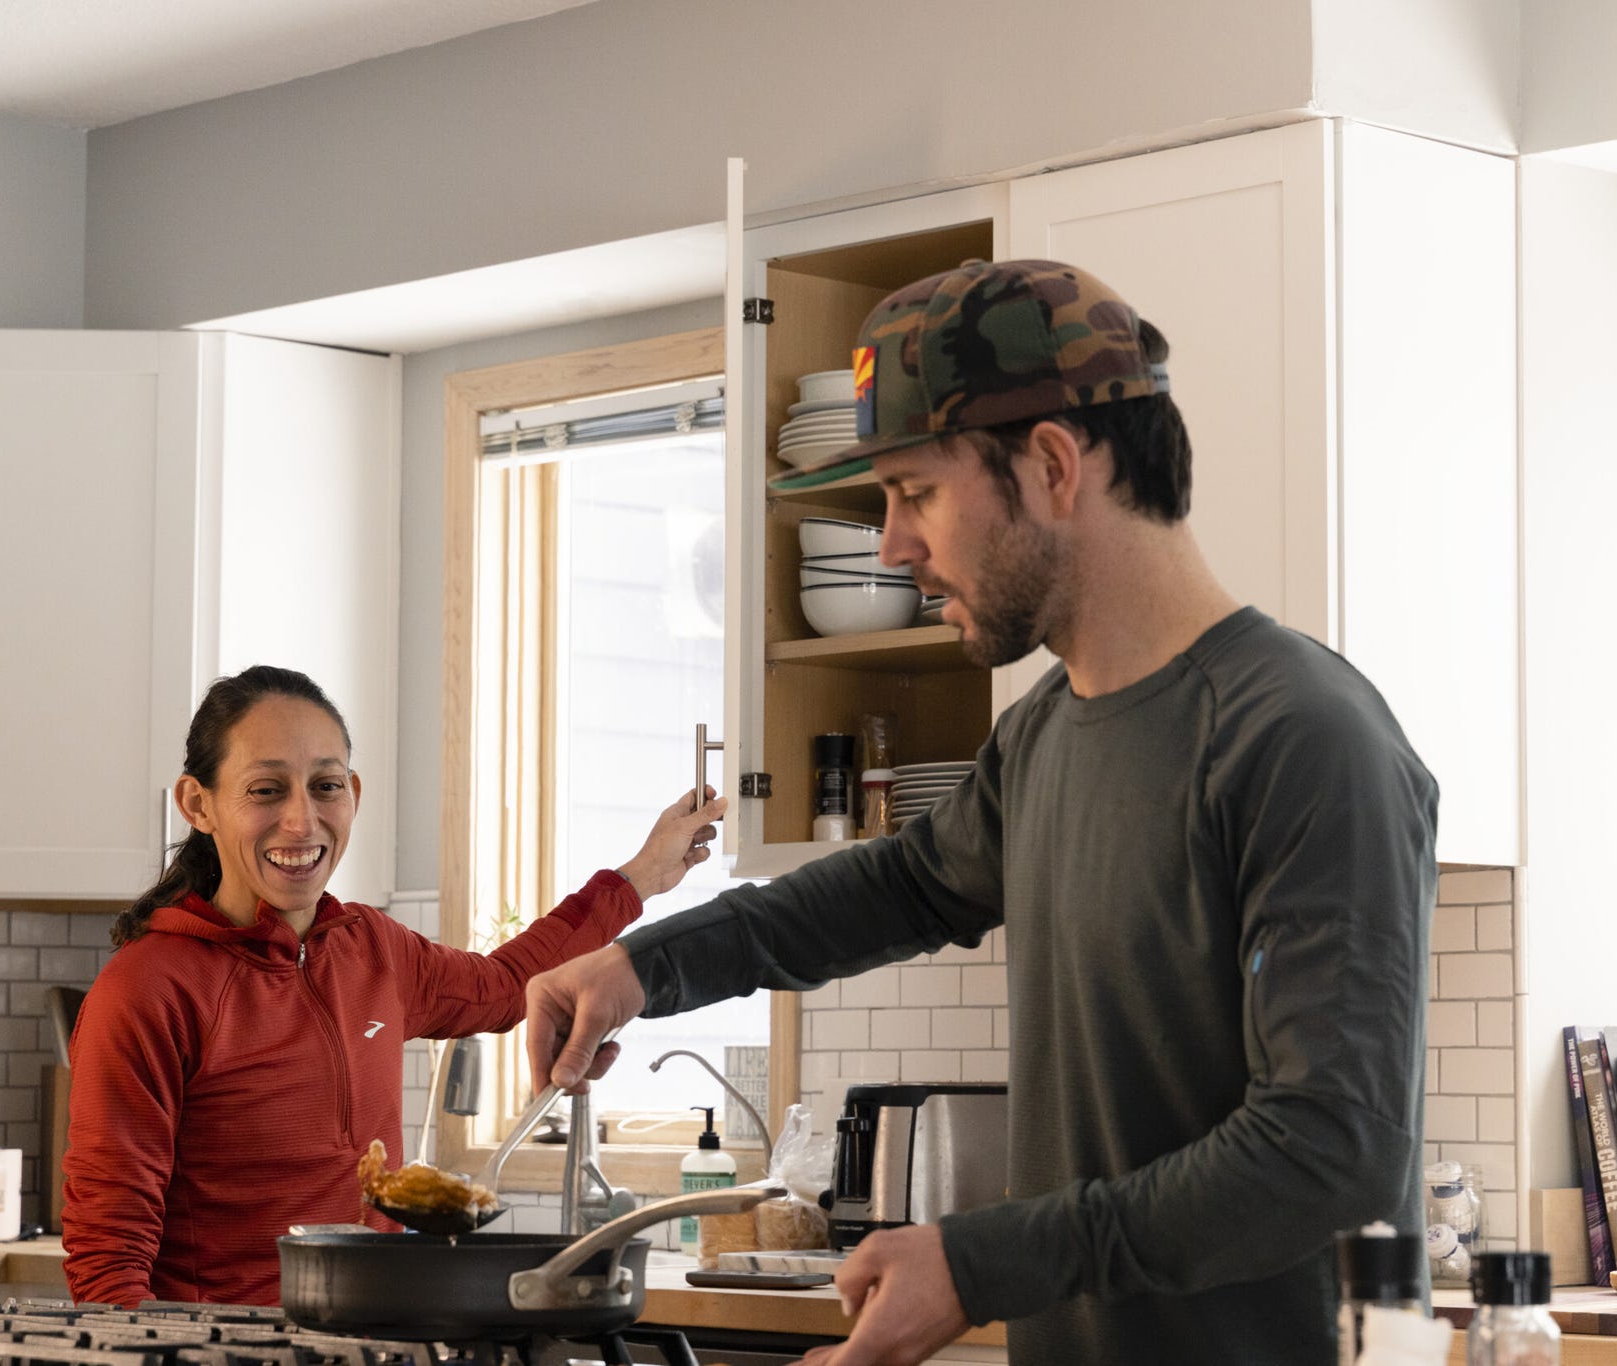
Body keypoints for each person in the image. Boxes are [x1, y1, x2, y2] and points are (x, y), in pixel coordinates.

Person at [524, 261, 1439, 1365]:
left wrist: (980, 1262)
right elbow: (900, 885)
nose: (895, 546)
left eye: (914, 492)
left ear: (1053, 465)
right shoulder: (1047, 731)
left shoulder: (1301, 739)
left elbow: (1327, 1149)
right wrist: (640, 967)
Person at [62, 664, 725, 1308]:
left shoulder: (373, 949)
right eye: (266, 790)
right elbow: (107, 1260)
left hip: (375, 1340)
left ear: (354, 793)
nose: (301, 821)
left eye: (325, 787)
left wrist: (640, 876)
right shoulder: (146, 991)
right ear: (197, 803)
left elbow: (503, 987)